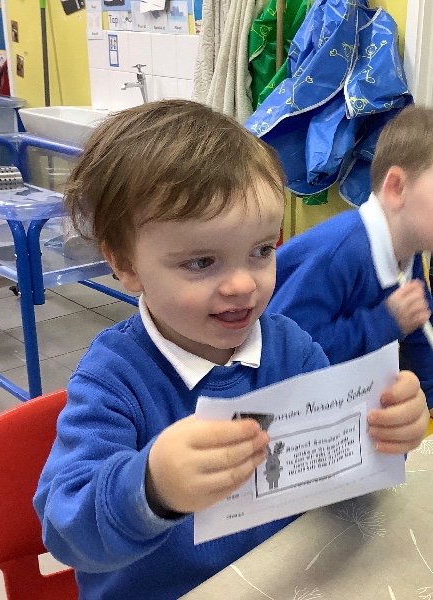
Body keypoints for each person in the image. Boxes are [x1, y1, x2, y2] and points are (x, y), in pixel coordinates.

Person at [34, 99, 429, 600]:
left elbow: (337, 472)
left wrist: (387, 432)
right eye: (202, 262)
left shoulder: (292, 348)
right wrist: (152, 488)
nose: (243, 284)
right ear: (126, 264)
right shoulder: (113, 379)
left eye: (262, 251)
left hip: (281, 580)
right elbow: (65, 531)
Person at [266, 104, 433, 417]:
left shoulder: (409, 254)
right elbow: (286, 356)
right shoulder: (340, 253)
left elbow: (421, 333)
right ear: (396, 188)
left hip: (338, 402)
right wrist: (385, 323)